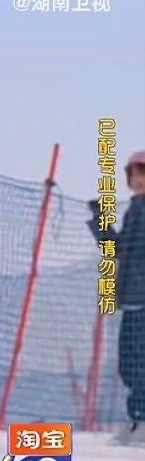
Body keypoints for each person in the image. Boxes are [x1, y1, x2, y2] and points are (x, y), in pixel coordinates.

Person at [89, 149, 145, 444]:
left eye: (143, 174)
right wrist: (100, 222)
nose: (138, 181)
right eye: (134, 175)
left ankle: (142, 422)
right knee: (130, 363)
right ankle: (137, 420)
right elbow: (119, 249)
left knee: (140, 363)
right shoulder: (135, 208)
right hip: (134, 300)